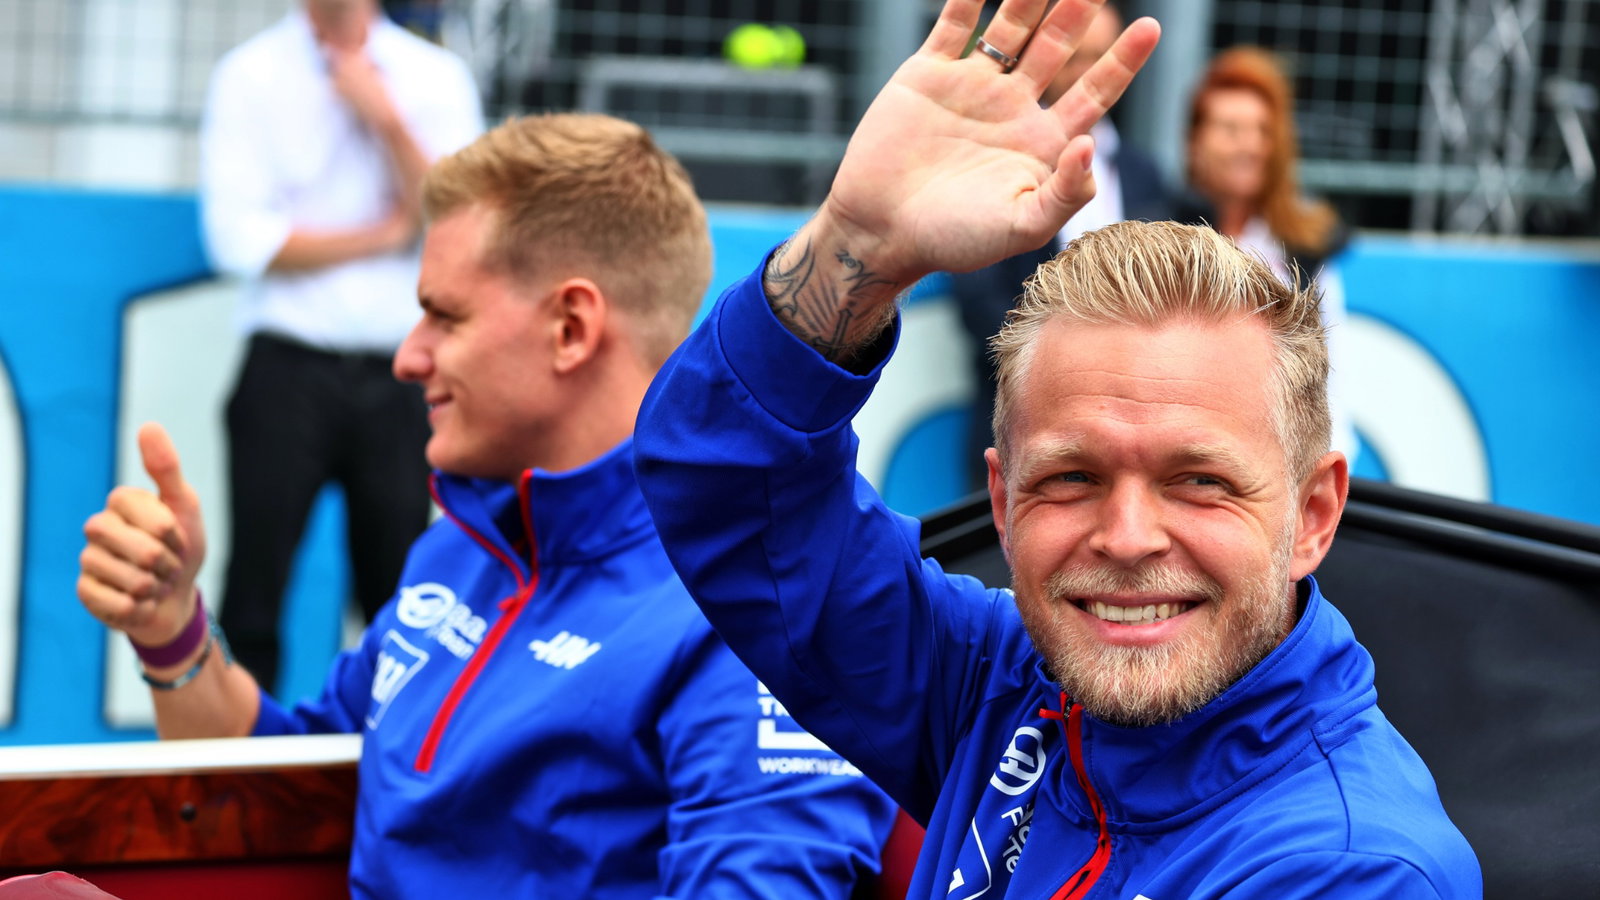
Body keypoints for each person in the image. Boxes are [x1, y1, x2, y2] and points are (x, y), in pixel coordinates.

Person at [633, 0, 1481, 896]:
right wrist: (859, 248)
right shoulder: (997, 684)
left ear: (1313, 515)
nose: (1127, 538)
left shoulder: (1350, 870)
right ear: (1002, 501)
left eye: (1199, 480)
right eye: (1072, 477)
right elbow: (727, 489)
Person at [78, 113, 896, 899]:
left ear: (571, 328)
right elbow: (277, 802)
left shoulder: (753, 610)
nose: (407, 357)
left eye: (444, 316)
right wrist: (170, 626)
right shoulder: (461, 548)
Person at [199, 0, 483, 692]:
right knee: (253, 591)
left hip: (401, 379)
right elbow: (237, 241)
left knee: (401, 594)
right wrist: (385, 235)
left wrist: (383, 117)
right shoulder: (249, 75)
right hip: (286, 367)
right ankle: (233, 756)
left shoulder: (435, 78)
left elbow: (466, 223)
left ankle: (392, 754)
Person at [948, 1, 1187, 490]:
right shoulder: (1001, 160)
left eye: (1102, 56)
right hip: (1020, 428)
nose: (1088, 72)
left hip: (1136, 439)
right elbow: (980, 301)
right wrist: (1079, 368)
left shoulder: (1144, 174)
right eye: (1077, 56)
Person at [1186, 46, 1358, 461]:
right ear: (1195, 142)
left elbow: (1331, 381)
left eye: (1262, 131)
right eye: (1230, 129)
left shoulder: (1304, 248)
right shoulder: (1154, 231)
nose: (1248, 145)